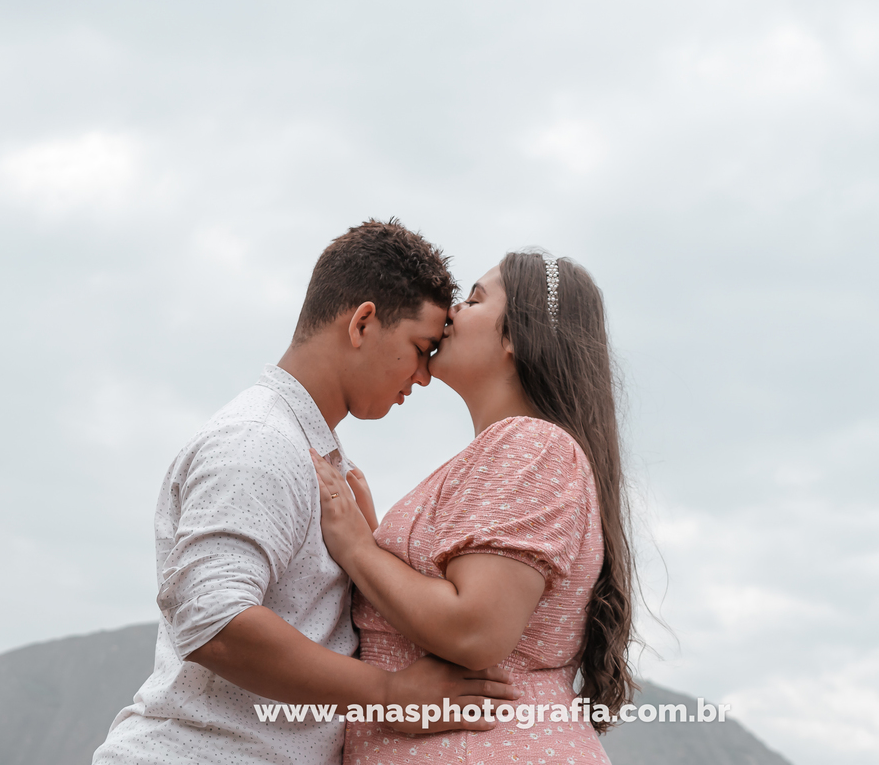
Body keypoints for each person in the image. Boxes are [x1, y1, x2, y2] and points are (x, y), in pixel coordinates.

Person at [92, 220, 519, 765]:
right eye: (420, 348)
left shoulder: (316, 456)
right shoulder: (258, 441)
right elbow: (211, 620)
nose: (424, 375)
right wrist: (390, 693)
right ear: (362, 323)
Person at [311, 250, 636, 764]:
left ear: (516, 337)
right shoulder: (505, 452)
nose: (453, 312)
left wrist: (358, 548)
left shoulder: (531, 445)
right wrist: (376, 544)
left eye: (475, 300)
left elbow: (475, 628)